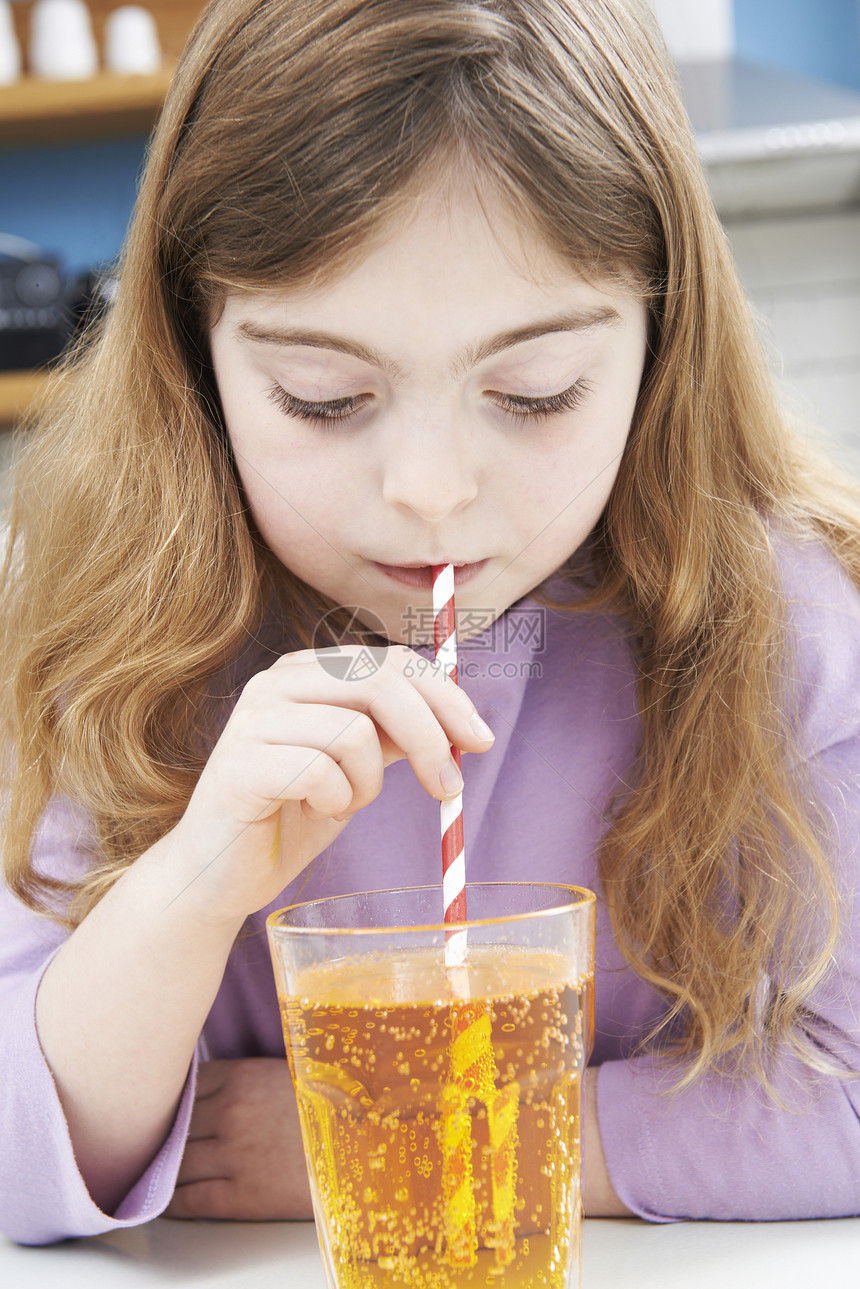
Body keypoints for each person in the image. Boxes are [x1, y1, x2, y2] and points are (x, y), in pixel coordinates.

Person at [1, 0, 859, 1248]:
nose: (431, 491)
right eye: (324, 397)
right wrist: (190, 885)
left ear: (659, 344)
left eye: (533, 392)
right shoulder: (105, 626)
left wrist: (430, 1135)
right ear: (195, 354)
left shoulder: (792, 630)